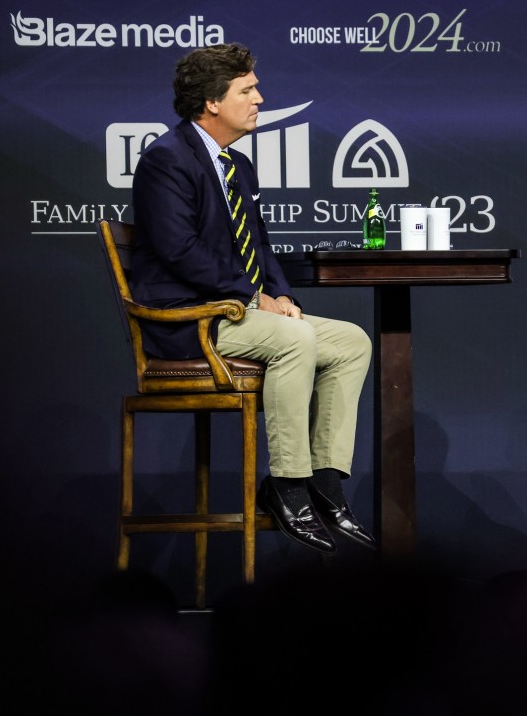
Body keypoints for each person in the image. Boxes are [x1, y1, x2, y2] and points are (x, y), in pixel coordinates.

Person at [129, 42, 375, 555]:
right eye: (247, 90)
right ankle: (287, 485)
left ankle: (325, 482)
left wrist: (281, 294)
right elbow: (179, 250)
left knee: (350, 341)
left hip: (240, 311)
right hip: (190, 320)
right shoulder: (165, 160)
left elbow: (259, 244)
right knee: (292, 339)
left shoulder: (237, 165)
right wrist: (255, 297)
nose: (260, 99)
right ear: (212, 102)